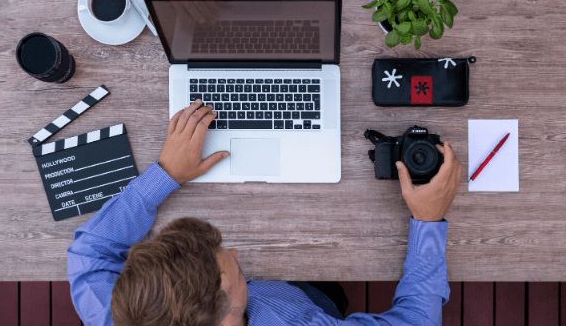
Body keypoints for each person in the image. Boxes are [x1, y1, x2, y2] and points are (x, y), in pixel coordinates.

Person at [67, 99, 463, 326]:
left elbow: (89, 255)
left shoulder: (120, 315)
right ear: (225, 295)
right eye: (233, 266)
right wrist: (428, 221)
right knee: (327, 296)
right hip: (311, 305)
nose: (239, 256)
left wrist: (165, 174)